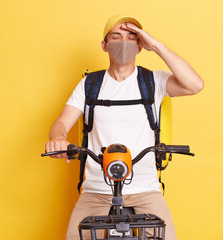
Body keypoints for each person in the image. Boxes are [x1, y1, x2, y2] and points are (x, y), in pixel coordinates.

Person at [45, 14, 204, 240]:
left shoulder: (153, 81)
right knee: (76, 236)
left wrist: (156, 46)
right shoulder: (90, 84)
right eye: (116, 36)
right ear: (105, 45)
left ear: (140, 45)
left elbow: (195, 85)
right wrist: (58, 138)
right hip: (96, 190)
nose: (123, 42)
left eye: (132, 37)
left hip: (145, 189)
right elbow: (61, 123)